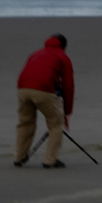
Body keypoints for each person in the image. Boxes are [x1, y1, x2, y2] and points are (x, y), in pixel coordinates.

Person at [15, 33, 74, 168]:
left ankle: (19, 157)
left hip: (22, 88)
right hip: (43, 89)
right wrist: (67, 112)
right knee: (56, 124)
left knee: (25, 123)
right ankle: (49, 160)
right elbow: (68, 86)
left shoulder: (35, 53)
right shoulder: (62, 57)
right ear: (64, 46)